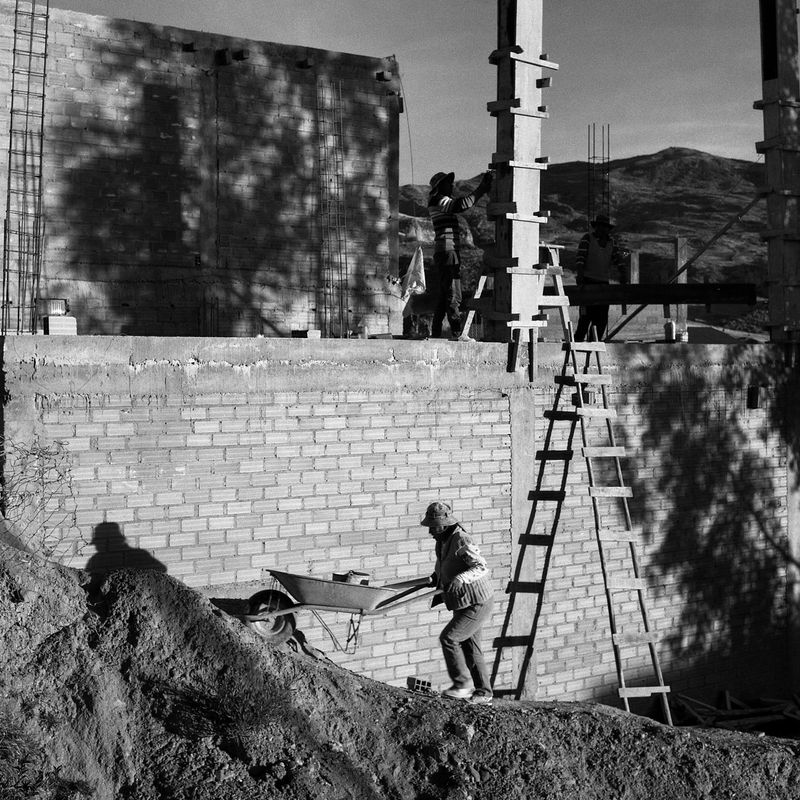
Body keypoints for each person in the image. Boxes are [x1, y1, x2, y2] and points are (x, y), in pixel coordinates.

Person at [421, 500, 494, 705]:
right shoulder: (442, 540)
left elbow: (481, 567)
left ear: (444, 525)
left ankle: (462, 685)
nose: (430, 532)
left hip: (477, 602)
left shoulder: (461, 539)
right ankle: (484, 693)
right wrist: (435, 578)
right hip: (464, 601)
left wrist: (460, 579)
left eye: (433, 527)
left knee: (449, 638)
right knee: (471, 647)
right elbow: (443, 563)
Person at [427, 170, 493, 341]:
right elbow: (462, 205)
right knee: (454, 291)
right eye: (448, 183)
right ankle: (457, 333)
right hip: (448, 252)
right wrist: (481, 189)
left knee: (444, 293)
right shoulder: (440, 201)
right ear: (440, 187)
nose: (451, 185)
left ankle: (435, 332)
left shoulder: (437, 201)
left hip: (444, 252)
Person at [574, 214, 627, 341]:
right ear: (596, 227)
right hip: (588, 282)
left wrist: (623, 274)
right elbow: (580, 259)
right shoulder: (587, 239)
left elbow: (618, 260)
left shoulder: (611, 243)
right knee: (585, 317)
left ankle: (593, 344)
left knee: (601, 319)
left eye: (605, 227)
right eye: (600, 227)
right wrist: (580, 278)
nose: (603, 230)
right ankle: (578, 344)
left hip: (603, 284)